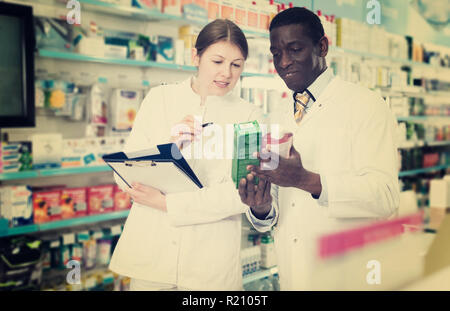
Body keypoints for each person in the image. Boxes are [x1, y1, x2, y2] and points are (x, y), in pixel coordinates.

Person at [238, 7, 400, 290]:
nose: (284, 62)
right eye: (276, 53)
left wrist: (307, 180)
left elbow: (385, 198)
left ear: (322, 46)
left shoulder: (366, 105)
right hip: (292, 275)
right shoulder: (276, 114)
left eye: (295, 49)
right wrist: (261, 207)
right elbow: (275, 213)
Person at [109, 19, 265, 291]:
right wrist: (169, 149)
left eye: (236, 64)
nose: (226, 73)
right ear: (196, 57)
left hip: (210, 264)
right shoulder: (159, 99)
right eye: (217, 61)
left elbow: (239, 195)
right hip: (152, 258)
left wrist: (167, 204)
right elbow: (124, 178)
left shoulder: (249, 116)